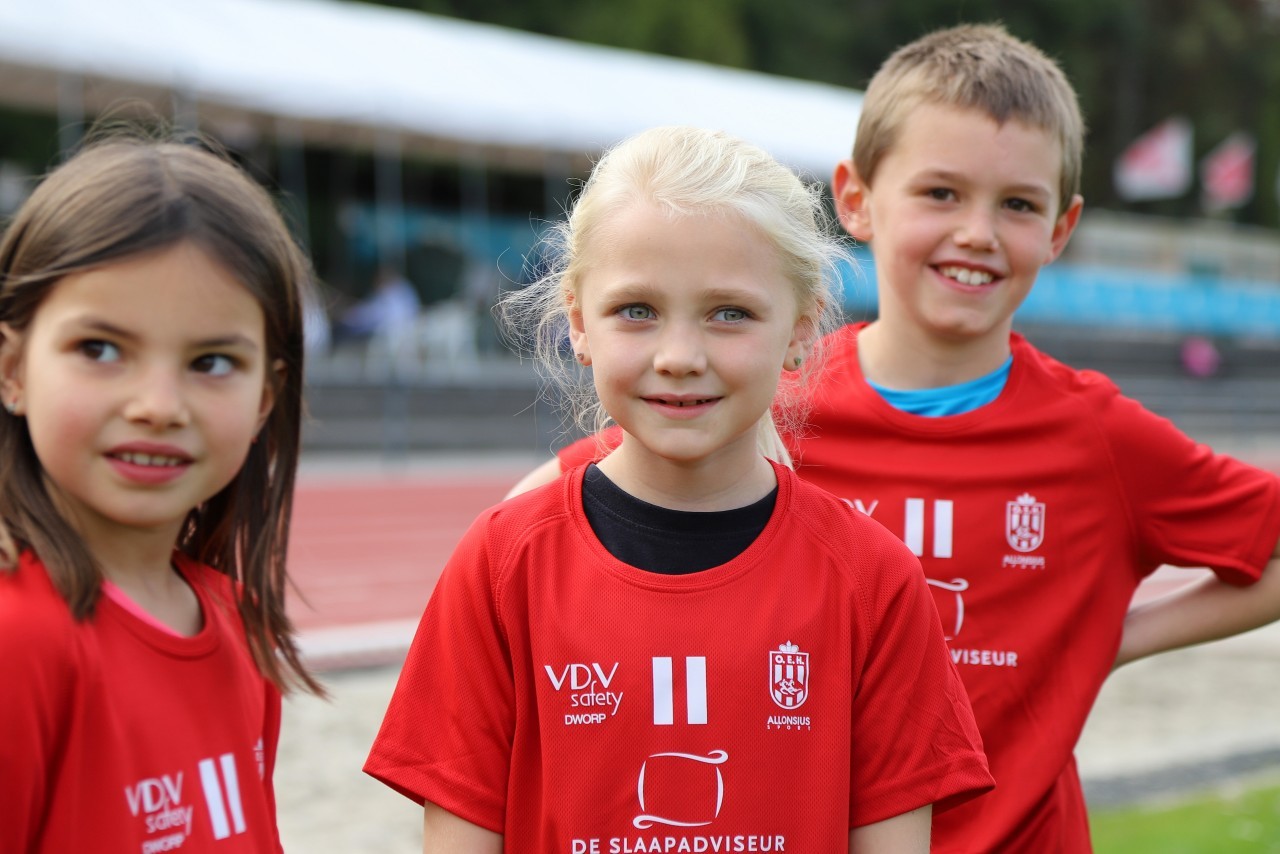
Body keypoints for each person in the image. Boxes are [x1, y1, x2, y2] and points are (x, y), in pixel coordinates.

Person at [510, 25, 1280, 853]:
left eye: (1018, 204)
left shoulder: (1098, 437)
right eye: (941, 193)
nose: (977, 232)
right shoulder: (762, 403)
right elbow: (544, 517)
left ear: (1062, 229)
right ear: (856, 199)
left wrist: (1115, 641)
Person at [365, 125, 993, 853]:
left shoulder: (872, 580)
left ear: (800, 328)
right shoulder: (501, 566)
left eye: (730, 313)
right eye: (637, 310)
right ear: (579, 323)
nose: (680, 356)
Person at [0, 133, 324, 852]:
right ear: (13, 369)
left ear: (264, 399)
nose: (158, 406)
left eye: (211, 362)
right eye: (100, 349)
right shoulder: (17, 639)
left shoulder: (240, 625)